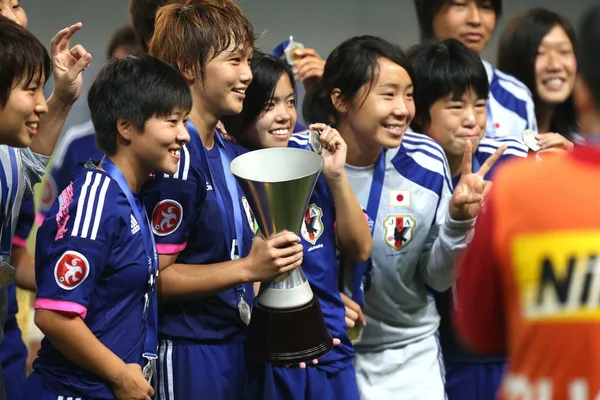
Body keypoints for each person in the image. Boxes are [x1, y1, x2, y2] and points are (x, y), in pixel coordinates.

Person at [303, 34, 502, 399]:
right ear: (340, 99)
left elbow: (438, 279)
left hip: (408, 353)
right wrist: (319, 301)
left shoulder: (425, 160)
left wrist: (459, 221)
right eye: (388, 94)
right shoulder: (298, 159)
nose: (403, 109)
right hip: (319, 349)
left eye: (409, 95)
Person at [145, 2, 306, 398]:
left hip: (236, 347)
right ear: (187, 67)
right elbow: (155, 278)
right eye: (234, 60)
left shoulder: (228, 152)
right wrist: (248, 267)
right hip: (189, 352)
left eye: (248, 60)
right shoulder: (177, 158)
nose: (247, 74)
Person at [24, 54, 192, 400]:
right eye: (173, 121)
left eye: (185, 121)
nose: (184, 135)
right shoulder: (97, 200)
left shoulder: (133, 194)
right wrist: (120, 376)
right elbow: (54, 315)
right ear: (126, 126)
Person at [454, 5, 600, 399]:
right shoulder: (510, 174)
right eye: (542, 51)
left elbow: (479, 326)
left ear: (583, 89)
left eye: (565, 51)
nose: (554, 65)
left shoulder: (517, 189)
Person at [222, 51, 371, 400]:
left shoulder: (311, 156)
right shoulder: (228, 171)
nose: (284, 116)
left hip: (329, 347)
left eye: (290, 102)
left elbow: (360, 248)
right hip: (267, 353)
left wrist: (335, 175)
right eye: (268, 104)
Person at [407, 37, 525, 400]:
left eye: (480, 104)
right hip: (436, 353)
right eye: (456, 106)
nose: (472, 119)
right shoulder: (405, 169)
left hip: (508, 354)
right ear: (420, 112)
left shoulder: (512, 163)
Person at [39, 24, 149, 220]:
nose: (120, 81)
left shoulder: (162, 144)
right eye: (115, 67)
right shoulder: (76, 141)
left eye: (130, 72)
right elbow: (47, 217)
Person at [412, 0, 537, 140]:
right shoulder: (405, 85)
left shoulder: (517, 96)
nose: (475, 20)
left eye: (486, 7)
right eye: (459, 4)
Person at [498, 8, 579, 143]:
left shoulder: (584, 140)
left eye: (564, 51)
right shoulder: (492, 133)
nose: (555, 65)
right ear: (515, 60)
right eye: (539, 53)